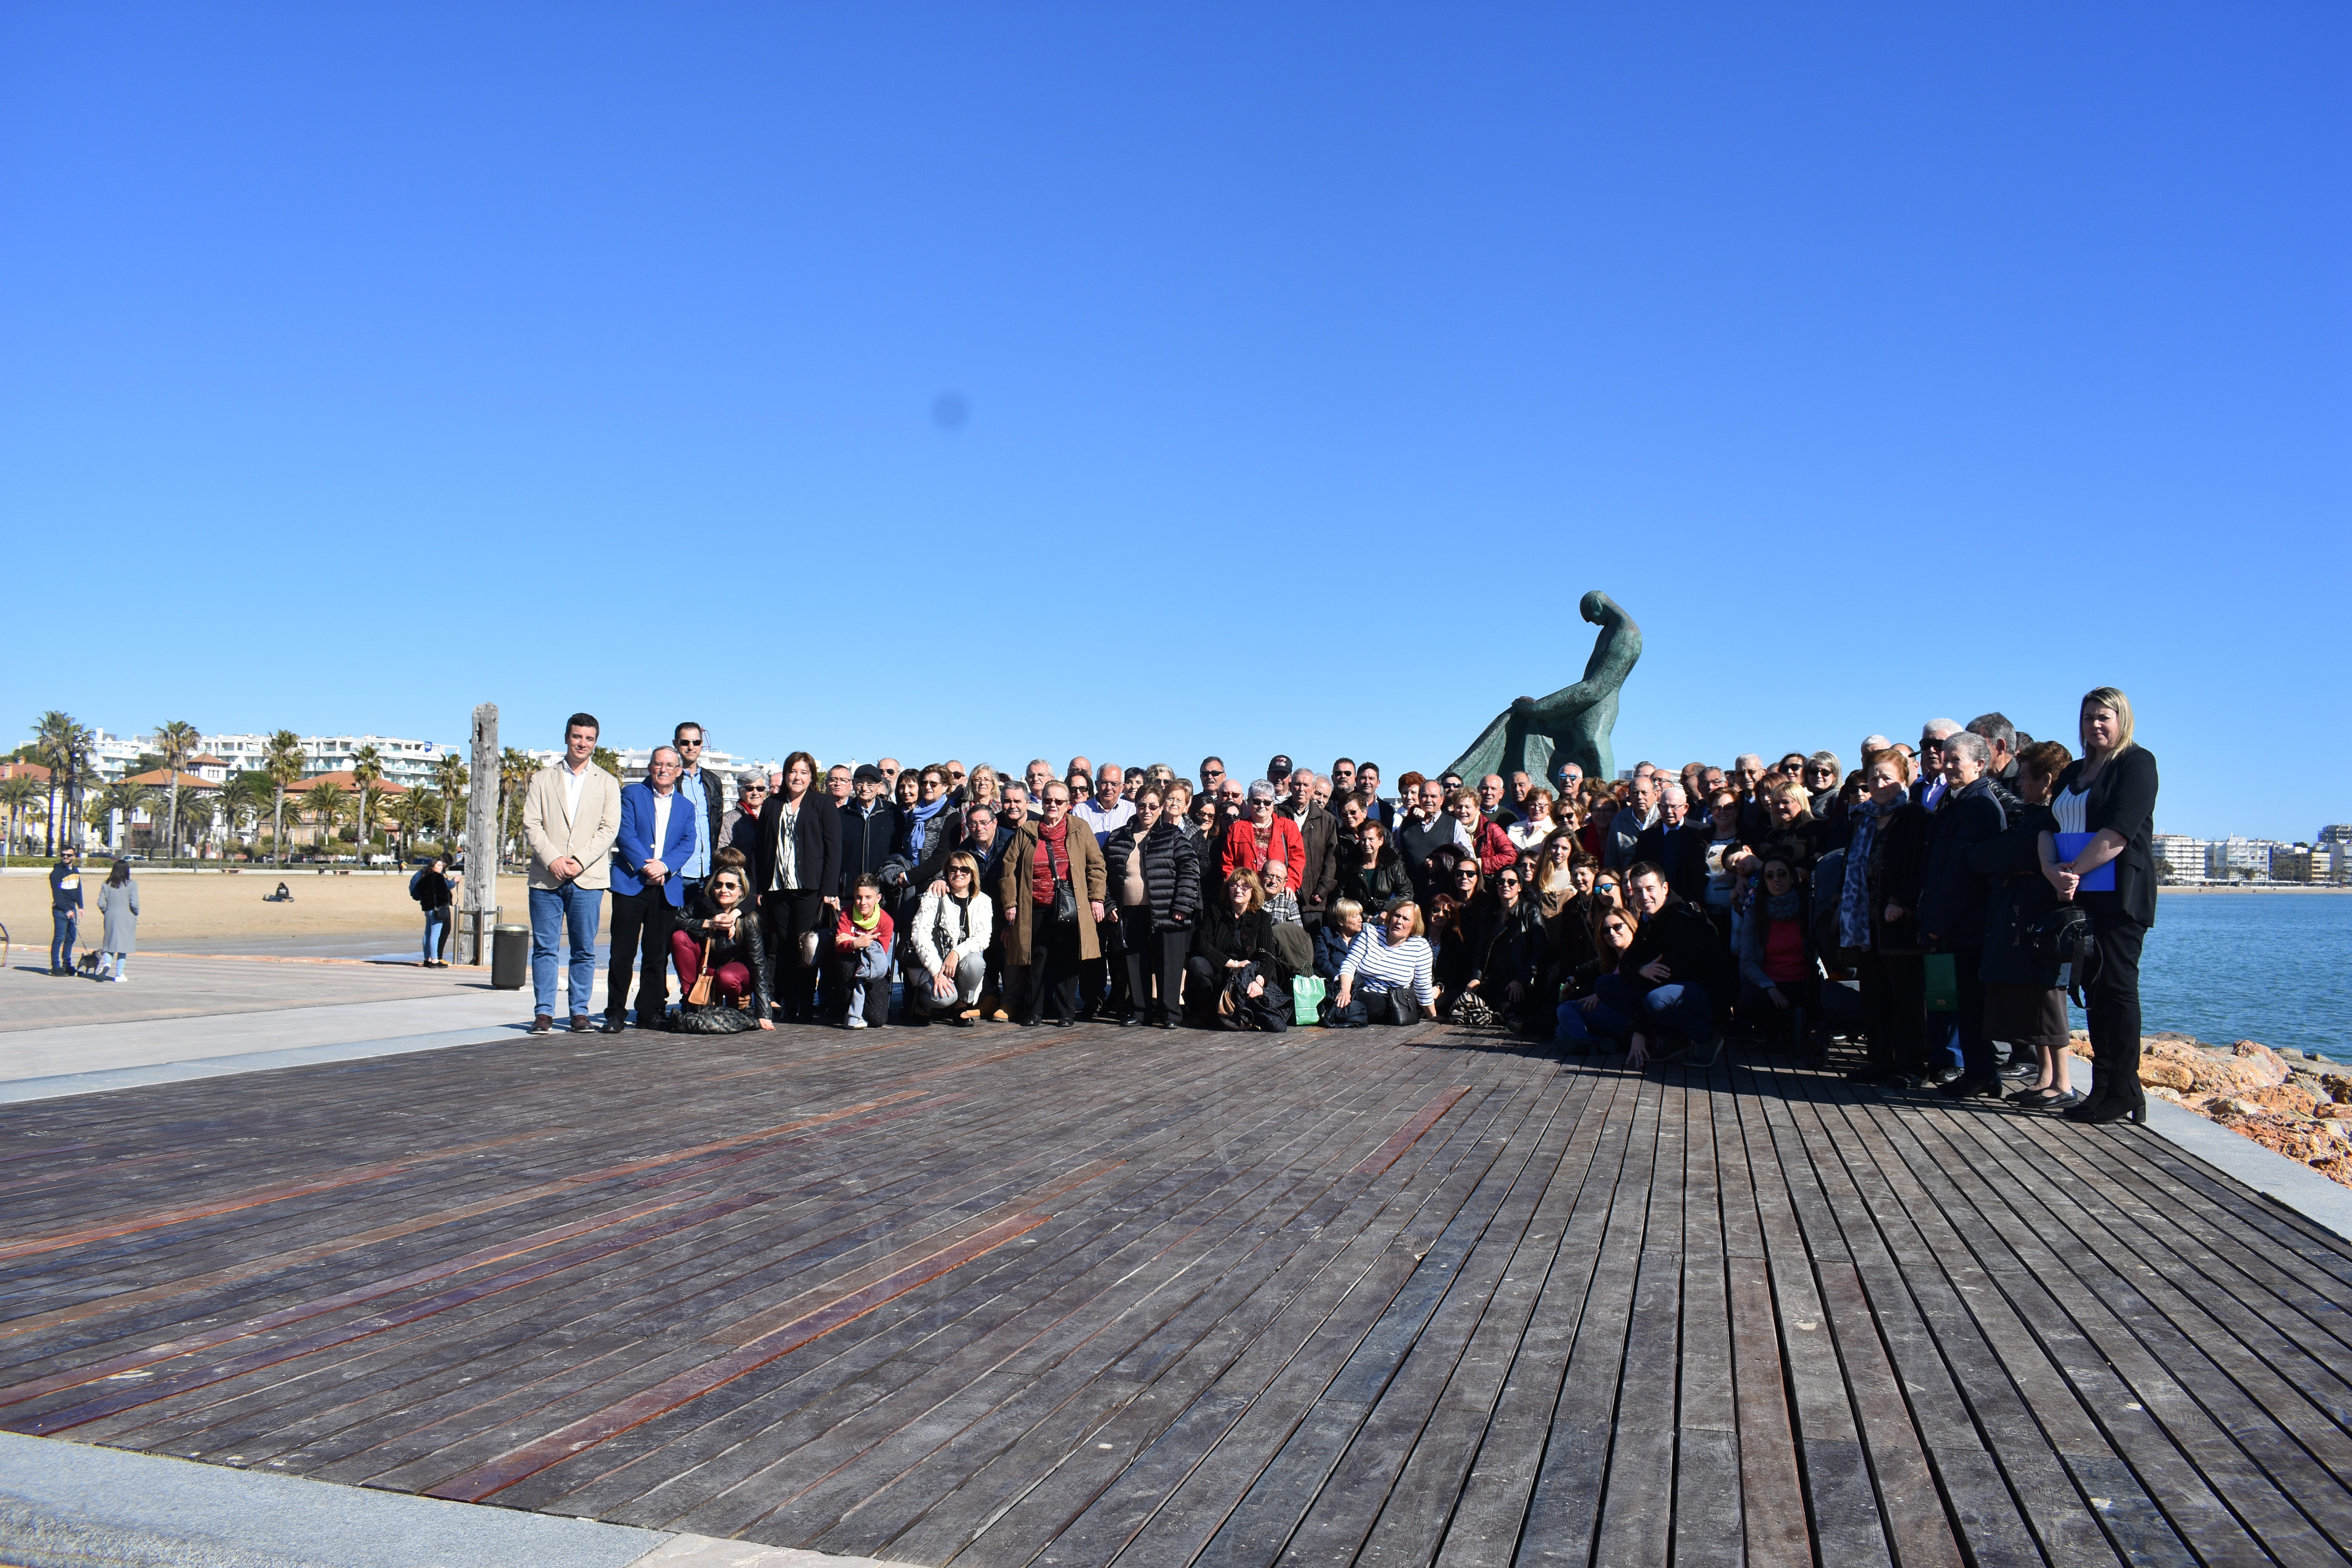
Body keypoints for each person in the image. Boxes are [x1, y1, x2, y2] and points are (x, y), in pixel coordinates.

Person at [2045, 686, 2160, 1125]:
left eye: (2104, 717)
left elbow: (2119, 831)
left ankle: (2125, 1089)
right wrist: (2051, 868)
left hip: (2121, 894)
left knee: (2117, 988)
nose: (2095, 724)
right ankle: (2103, 1087)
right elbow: (2046, 822)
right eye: (2089, 716)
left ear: (2121, 720)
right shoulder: (2075, 769)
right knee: (2092, 990)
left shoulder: (2137, 763)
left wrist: (2072, 871)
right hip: (2078, 893)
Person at [1972, 739, 2076, 1110]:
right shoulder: (2033, 816)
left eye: (2027, 778)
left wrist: (2016, 863)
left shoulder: (2053, 818)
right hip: (2026, 916)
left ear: (2047, 780)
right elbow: (1991, 857)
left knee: (2049, 997)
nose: (2019, 785)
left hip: (2042, 920)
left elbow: (2008, 854)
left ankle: (2062, 1081)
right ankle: (2045, 1076)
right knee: (2035, 999)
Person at [1919, 730, 2006, 1098]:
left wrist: (1938, 925)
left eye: (1957, 760)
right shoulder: (1955, 802)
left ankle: (1981, 1073)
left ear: (1980, 765)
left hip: (1967, 925)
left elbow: (1964, 873)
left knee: (1971, 1003)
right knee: (1952, 999)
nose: (1949, 764)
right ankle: (1973, 1069)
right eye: (1946, 757)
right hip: (1950, 924)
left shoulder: (1981, 807)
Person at [523, 714, 622, 1034]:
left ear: (596, 742)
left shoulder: (607, 782)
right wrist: (552, 859)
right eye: (578, 737)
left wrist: (579, 861)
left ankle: (580, 1012)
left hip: (588, 878)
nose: (583, 743)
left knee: (584, 949)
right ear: (567, 737)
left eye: (589, 739)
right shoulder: (542, 779)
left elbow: (609, 829)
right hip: (545, 878)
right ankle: (544, 1013)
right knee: (545, 948)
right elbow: (532, 824)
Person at [1838, 750, 1932, 1085]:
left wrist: (1902, 901)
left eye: (1887, 777)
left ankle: (1910, 1066)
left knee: (1906, 998)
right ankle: (1880, 1062)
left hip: (1899, 920)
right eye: (1874, 778)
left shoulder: (1917, 817)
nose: (1879, 784)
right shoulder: (1861, 818)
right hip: (1866, 921)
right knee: (1874, 996)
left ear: (1904, 781)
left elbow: (1926, 868)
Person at [606, 745, 701, 1033]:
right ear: (650, 767)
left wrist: (665, 867)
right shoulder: (632, 794)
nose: (664, 770)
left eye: (670, 766)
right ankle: (615, 1013)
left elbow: (688, 843)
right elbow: (625, 832)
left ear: (678, 771)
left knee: (657, 954)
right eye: (659, 764)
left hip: (666, 888)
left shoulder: (686, 807)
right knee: (622, 952)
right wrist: (645, 866)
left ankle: (649, 1010)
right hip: (632, 884)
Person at [998, 781, 1106, 1027]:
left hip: (1069, 904)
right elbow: (1008, 869)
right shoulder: (1028, 830)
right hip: (1033, 905)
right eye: (1048, 801)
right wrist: (1010, 903)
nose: (1053, 806)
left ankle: (1066, 1013)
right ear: (1042, 802)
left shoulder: (1080, 828)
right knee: (1037, 959)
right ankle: (1034, 1012)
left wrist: (1096, 898)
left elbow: (1096, 865)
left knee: (1066, 960)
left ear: (1068, 805)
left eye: (1059, 802)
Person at [1604, 862, 1731, 1067]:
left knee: (1657, 1000)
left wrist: (1640, 1031)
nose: (1644, 896)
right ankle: (1672, 1038)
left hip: (1708, 995)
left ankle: (1708, 1038)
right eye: (1637, 890)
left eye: (1650, 889)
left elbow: (1666, 977)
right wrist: (1640, 969)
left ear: (1664, 889)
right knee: (1606, 986)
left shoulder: (1682, 920)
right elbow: (1628, 959)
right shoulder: (1649, 918)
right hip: (1673, 989)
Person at [752, 750, 842, 1025]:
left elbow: (833, 848)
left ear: (812, 776)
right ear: (786, 774)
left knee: (805, 948)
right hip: (778, 888)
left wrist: (829, 888)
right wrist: (759, 888)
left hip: (810, 889)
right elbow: (761, 849)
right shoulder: (771, 805)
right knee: (784, 946)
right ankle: (789, 1002)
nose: (797, 777)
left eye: (804, 772)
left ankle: (805, 1002)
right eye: (793, 771)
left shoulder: (822, 804)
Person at [1105, 786, 1201, 1027]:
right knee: (1136, 962)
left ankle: (1170, 1014)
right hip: (1129, 911)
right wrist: (1108, 904)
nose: (1146, 811)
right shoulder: (1118, 837)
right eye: (1141, 805)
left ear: (1161, 809)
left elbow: (1190, 871)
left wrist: (1183, 905)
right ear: (1135, 806)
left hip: (1167, 910)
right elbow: (1103, 875)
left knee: (1169, 962)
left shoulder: (1173, 836)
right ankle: (1140, 1011)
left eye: (1152, 806)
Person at [668, 864, 775, 1032]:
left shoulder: (749, 920)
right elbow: (675, 921)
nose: (723, 890)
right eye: (719, 885)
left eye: (731, 886)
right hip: (707, 967)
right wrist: (707, 923)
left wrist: (765, 1013)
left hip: (737, 972)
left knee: (728, 977)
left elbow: (759, 964)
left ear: (741, 891)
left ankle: (736, 1005)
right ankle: (691, 1001)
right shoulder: (701, 907)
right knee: (679, 937)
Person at [1187, 869, 1292, 1031]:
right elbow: (1203, 946)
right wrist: (1234, 964)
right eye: (1234, 885)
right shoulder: (1216, 912)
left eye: (1245, 887)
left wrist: (1259, 982)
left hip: (1247, 977)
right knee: (1196, 964)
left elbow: (1269, 957)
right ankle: (1208, 1009)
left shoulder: (1262, 918)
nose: (1238, 890)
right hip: (1221, 973)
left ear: (1254, 892)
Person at [1736, 855, 1822, 1050]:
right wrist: (1770, 988)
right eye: (1770, 876)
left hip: (1804, 984)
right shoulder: (1754, 915)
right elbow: (1747, 961)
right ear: (1764, 882)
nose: (1776, 879)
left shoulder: (1809, 910)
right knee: (1747, 1003)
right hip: (1770, 985)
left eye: (1782, 874)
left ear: (1793, 878)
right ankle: (1773, 1028)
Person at [907, 851, 993, 1024]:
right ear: (947, 872)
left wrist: (956, 953)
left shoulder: (984, 901)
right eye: (953, 869)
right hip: (931, 962)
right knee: (945, 998)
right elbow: (920, 936)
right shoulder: (935, 896)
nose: (958, 873)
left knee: (976, 962)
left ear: (973, 874)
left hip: (959, 962)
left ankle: (960, 1008)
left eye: (964, 870)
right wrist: (937, 971)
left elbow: (983, 938)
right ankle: (923, 1007)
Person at [1328, 901, 1437, 1028]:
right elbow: (1349, 964)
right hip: (1362, 992)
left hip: (1394, 1001)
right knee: (1342, 997)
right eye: (1397, 916)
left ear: (1414, 925)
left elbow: (1422, 985)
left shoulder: (1421, 947)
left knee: (1374, 1004)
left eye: (1406, 919)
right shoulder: (1371, 934)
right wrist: (1345, 992)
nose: (1399, 922)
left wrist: (1433, 1016)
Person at [1556, 903, 1642, 1055]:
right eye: (1606, 930)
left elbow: (1632, 988)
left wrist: (1601, 995)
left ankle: (1584, 1041)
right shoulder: (1615, 959)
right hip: (1615, 1018)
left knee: (1566, 1009)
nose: (1612, 933)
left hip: (1631, 1021)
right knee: (1562, 1029)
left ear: (1630, 926)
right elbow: (1592, 968)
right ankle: (1599, 1042)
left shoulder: (1637, 955)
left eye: (1617, 927)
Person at [829, 873, 896, 1028]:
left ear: (878, 898)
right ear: (854, 896)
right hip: (851, 965)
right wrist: (856, 944)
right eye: (859, 897)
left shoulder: (886, 921)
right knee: (845, 962)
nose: (863, 902)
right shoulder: (847, 913)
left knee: (877, 1020)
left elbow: (880, 954)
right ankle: (850, 1012)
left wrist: (852, 940)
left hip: (873, 968)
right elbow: (839, 946)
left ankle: (860, 1008)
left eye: (868, 897)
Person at [1280, 769, 1338, 940]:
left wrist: (1322, 890)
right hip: (1280, 894)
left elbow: (1332, 858)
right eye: (1297, 784)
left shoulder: (1327, 820)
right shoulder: (1277, 813)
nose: (1301, 789)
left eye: (1306, 785)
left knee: (1311, 947)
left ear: (1313, 790)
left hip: (1312, 899)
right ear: (1290, 786)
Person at [671, 722, 722, 910]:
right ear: (676, 743)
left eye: (696, 742)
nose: (691, 747)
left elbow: (716, 824)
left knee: (703, 933)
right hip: (678, 872)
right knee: (673, 933)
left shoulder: (713, 781)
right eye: (685, 742)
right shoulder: (666, 780)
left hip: (708, 872)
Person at [1223, 780, 1305, 893]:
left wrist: (1290, 884)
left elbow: (1297, 861)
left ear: (1273, 805)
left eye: (1267, 803)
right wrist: (1234, 887)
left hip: (1277, 892)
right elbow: (1227, 864)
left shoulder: (1289, 827)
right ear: (1249, 802)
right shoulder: (1236, 829)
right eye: (1257, 801)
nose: (1262, 806)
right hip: (1245, 892)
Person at [1335, 817, 1413, 928]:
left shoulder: (1392, 863)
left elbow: (1407, 892)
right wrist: (1361, 916)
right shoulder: (1349, 865)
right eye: (1363, 839)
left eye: (1371, 839)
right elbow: (1339, 897)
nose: (1367, 844)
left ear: (1381, 841)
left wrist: (1388, 909)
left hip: (1387, 921)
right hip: (1356, 923)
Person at [1451, 788, 1516, 877]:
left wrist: (1483, 864)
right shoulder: (1448, 826)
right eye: (1459, 807)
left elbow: (1511, 855)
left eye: (1468, 807)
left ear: (1477, 809)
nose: (1463, 811)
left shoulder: (1490, 828)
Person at [94, 858, 138, 982]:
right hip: (127, 916)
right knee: (124, 947)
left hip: (111, 916)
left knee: (110, 944)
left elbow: (101, 903)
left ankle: (107, 963)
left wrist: (107, 911)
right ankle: (119, 974)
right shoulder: (132, 884)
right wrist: (135, 914)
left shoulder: (106, 884)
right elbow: (134, 904)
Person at [413, 856, 455, 967]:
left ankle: (427, 959)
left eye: (442, 866)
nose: (441, 868)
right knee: (435, 935)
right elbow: (443, 893)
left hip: (428, 908)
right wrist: (447, 897)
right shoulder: (438, 877)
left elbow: (418, 890)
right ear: (433, 866)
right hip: (437, 908)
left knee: (428, 933)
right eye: (439, 865)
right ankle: (435, 960)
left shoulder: (424, 877)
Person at [47, 844, 82, 976]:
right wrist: (67, 911)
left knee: (71, 938)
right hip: (61, 910)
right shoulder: (56, 873)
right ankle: (56, 967)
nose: (65, 857)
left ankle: (67, 964)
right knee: (59, 938)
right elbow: (57, 895)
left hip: (72, 908)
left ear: (74, 857)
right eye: (63, 855)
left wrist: (81, 906)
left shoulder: (75, 871)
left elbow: (78, 889)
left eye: (68, 855)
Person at [720, 770, 768, 858]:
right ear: (740, 792)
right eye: (749, 788)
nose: (755, 793)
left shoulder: (770, 816)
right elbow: (724, 857)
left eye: (760, 788)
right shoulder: (728, 820)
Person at [1506, 789, 1559, 853]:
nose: (1537, 809)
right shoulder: (1512, 828)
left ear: (1549, 808)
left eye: (1542, 805)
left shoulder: (1556, 831)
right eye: (1532, 805)